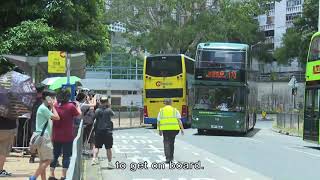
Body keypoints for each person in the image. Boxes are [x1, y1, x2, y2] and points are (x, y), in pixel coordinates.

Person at [49, 89, 81, 180]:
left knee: (55, 155)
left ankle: (51, 174)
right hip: (67, 135)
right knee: (66, 156)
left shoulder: (54, 106)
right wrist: (78, 106)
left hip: (56, 135)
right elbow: (79, 115)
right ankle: (63, 176)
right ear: (68, 97)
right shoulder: (70, 106)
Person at [29, 90, 60, 180]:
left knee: (43, 161)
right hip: (44, 137)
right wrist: (52, 106)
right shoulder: (43, 108)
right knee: (49, 159)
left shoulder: (43, 108)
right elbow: (57, 117)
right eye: (52, 97)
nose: (54, 99)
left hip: (42, 135)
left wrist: (50, 106)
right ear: (47, 98)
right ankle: (33, 177)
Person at [157, 98, 184, 163]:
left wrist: (159, 130)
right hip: (174, 129)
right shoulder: (175, 110)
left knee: (166, 143)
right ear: (171, 103)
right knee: (172, 143)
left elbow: (158, 121)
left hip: (165, 129)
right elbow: (179, 120)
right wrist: (182, 129)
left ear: (164, 103)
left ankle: (168, 158)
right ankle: (171, 157)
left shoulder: (161, 111)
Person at [91, 96, 115, 169]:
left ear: (100, 102)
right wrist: (109, 106)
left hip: (98, 131)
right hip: (108, 132)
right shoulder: (109, 110)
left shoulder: (97, 110)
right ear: (107, 102)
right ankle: (110, 163)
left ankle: (94, 159)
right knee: (108, 148)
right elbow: (113, 115)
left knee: (96, 146)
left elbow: (93, 118)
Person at [29, 84, 46, 163]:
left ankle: (32, 157)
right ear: (42, 91)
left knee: (34, 139)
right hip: (41, 122)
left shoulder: (32, 99)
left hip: (33, 121)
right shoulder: (43, 101)